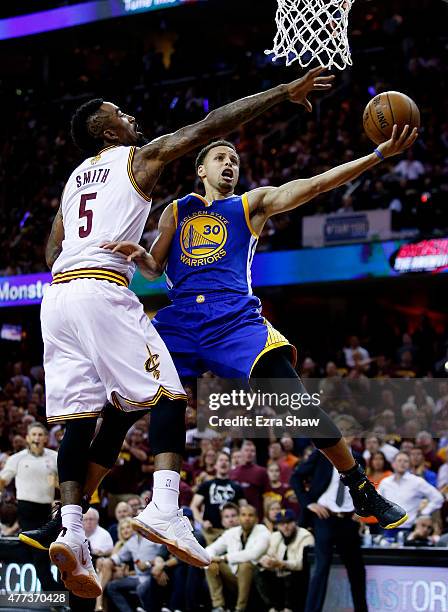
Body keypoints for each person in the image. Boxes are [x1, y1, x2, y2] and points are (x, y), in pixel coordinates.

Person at [21, 68, 332, 596]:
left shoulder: (74, 180)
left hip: (58, 298)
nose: (131, 117)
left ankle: (71, 531)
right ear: (106, 131)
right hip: (99, 289)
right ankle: (165, 504)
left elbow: (51, 249)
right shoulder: (134, 158)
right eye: (120, 114)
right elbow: (211, 122)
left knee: (78, 421)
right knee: (168, 392)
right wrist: (283, 92)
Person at [104, 125, 418, 531]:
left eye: (234, 160)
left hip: (233, 317)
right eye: (220, 158)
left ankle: (360, 488)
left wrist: (376, 156)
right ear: (201, 169)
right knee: (118, 412)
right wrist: (142, 256)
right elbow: (156, 267)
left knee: (298, 405)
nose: (229, 164)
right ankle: (68, 515)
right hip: (179, 318)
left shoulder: (251, 204)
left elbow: (316, 184)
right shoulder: (176, 210)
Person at [291, 447, 368, 612]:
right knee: (321, 567)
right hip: (325, 518)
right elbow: (296, 477)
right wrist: (308, 503)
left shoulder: (359, 458)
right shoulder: (321, 454)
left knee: (357, 570)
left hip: (348, 520)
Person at [0, 423, 59, 592]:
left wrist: (57, 488)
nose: (37, 438)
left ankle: (4, 551)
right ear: (27, 437)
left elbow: (62, 483)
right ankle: (53, 593)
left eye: (40, 435)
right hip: (26, 509)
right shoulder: (17, 458)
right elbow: (4, 479)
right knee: (39, 552)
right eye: (34, 434)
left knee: (44, 551)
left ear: (46, 438)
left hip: (47, 510)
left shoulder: (54, 457)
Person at [205, 505, 270, 612]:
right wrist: (212, 558)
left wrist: (223, 558)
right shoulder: (232, 532)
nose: (247, 518)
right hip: (234, 577)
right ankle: (218, 606)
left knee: (245, 565)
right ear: (239, 518)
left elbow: (253, 554)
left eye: (250, 515)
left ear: (257, 519)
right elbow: (210, 549)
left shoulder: (263, 531)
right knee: (211, 563)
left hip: (256, 579)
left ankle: (240, 608)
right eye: (243, 515)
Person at [254, 509, 314, 612]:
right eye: (281, 524)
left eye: (289, 522)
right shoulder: (275, 536)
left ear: (295, 522)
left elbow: (301, 564)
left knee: (292, 574)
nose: (285, 527)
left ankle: (288, 608)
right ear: (277, 526)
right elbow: (269, 554)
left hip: (299, 576)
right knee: (259, 572)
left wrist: (282, 564)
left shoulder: (305, 536)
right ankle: (272, 608)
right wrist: (266, 561)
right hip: (280, 573)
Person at [378, 452, 444, 532]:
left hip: (409, 527)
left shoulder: (417, 481)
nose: (402, 463)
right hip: (388, 528)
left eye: (406, 461)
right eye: (399, 461)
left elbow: (438, 497)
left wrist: (424, 513)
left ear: (409, 464)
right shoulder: (385, 482)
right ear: (393, 464)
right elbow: (377, 502)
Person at [190, 451, 245, 543]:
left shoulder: (237, 487)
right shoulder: (206, 485)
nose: (224, 462)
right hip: (210, 532)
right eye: (221, 460)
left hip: (232, 532)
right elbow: (193, 506)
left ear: (230, 465)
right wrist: (202, 522)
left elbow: (244, 508)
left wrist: (239, 521)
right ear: (215, 465)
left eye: (226, 460)